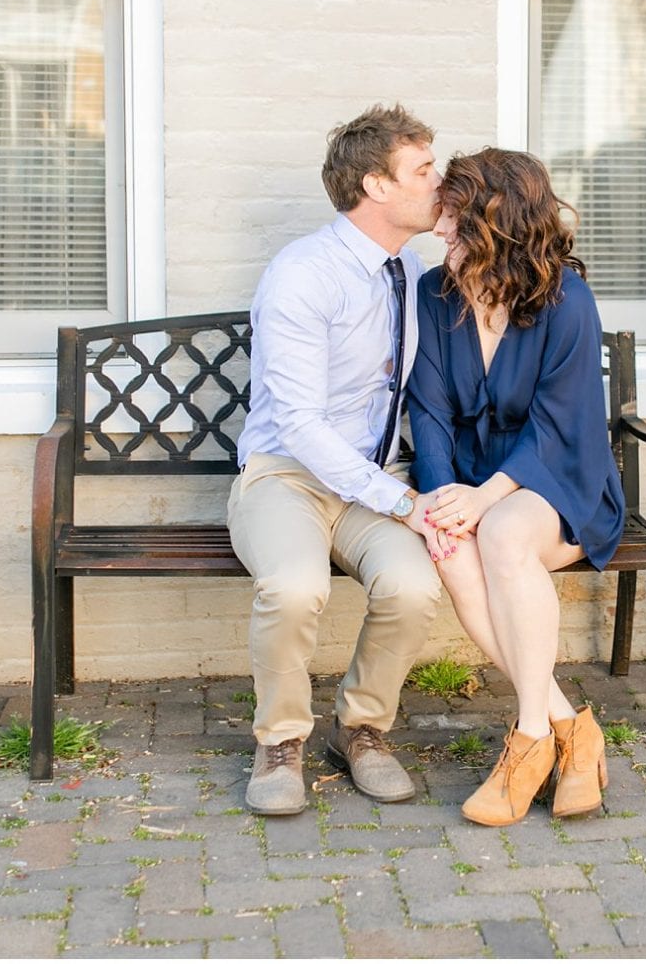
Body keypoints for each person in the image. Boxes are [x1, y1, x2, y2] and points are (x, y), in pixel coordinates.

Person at [228, 104, 445, 816]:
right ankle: (281, 743)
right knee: (293, 588)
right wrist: (404, 503)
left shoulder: (407, 268)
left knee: (413, 587)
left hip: (370, 482)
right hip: (287, 477)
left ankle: (362, 731)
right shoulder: (303, 274)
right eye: (422, 169)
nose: (436, 181)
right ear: (376, 186)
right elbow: (299, 423)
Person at [406, 147, 626, 827]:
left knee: (502, 534)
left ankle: (527, 739)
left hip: (558, 480)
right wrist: (444, 499)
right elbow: (430, 410)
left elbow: (560, 426)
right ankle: (570, 730)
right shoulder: (434, 295)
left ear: (500, 225)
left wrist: (485, 498)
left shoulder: (567, 302)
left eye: (455, 218)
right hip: (471, 482)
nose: (438, 229)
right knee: (451, 546)